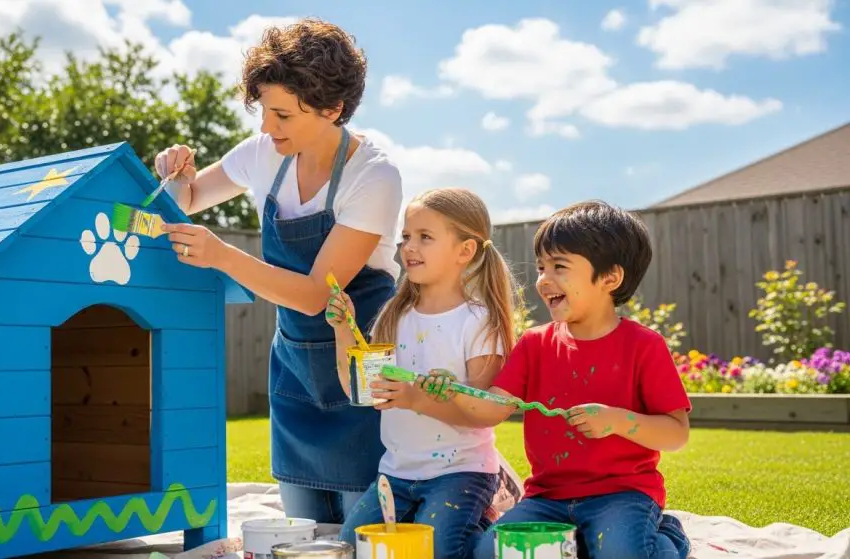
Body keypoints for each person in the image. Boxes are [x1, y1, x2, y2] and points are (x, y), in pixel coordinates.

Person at [152, 18, 403, 523]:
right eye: (265, 110)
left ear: (333, 109)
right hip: (293, 366)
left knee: (364, 531)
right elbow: (189, 200)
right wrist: (173, 174)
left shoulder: (373, 176)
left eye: (283, 114)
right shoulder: (263, 155)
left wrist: (223, 255)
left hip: (359, 364)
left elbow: (315, 295)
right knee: (301, 533)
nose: (267, 127)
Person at [420, 200, 692, 559]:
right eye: (540, 267)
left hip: (623, 494)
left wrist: (616, 421)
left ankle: (667, 536)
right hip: (547, 498)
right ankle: (581, 541)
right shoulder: (535, 344)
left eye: (559, 267)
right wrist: (452, 391)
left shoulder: (645, 346)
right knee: (490, 553)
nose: (543, 280)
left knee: (620, 552)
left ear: (610, 278)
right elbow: (494, 408)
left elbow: (676, 433)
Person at [326, 188, 518, 559]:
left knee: (441, 550)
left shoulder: (479, 322)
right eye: (406, 238)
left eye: (424, 237)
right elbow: (359, 388)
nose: (408, 247)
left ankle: (487, 520)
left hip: (463, 473)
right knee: (350, 550)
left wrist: (418, 399)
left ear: (465, 251)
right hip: (396, 474)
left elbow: (482, 412)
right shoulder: (394, 316)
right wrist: (342, 330)